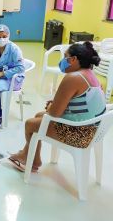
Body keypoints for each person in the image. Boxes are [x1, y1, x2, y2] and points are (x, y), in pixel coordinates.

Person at [8, 42, 105, 172]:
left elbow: (54, 113)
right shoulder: (89, 74)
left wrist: (51, 106)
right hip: (95, 130)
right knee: (38, 116)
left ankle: (32, 160)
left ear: (74, 59)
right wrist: (54, 105)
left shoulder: (73, 78)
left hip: (80, 134)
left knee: (30, 124)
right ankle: (28, 154)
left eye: (65, 57)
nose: (62, 61)